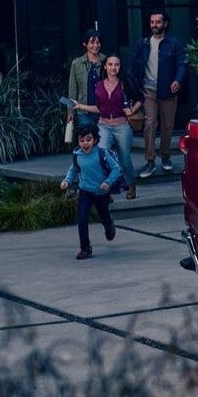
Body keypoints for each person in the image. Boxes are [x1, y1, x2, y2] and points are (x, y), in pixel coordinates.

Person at [71, 54, 141, 199]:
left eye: (116, 64)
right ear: (105, 66)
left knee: (125, 159)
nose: (113, 67)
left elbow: (141, 98)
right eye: (110, 64)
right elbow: (99, 108)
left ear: (120, 67)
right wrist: (80, 106)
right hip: (103, 125)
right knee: (101, 157)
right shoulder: (99, 85)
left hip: (121, 125)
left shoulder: (124, 83)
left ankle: (131, 184)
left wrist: (132, 110)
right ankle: (105, 189)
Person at [129, 10, 187, 178]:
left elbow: (182, 63)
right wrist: (134, 87)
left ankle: (166, 156)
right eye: (152, 22)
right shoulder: (143, 43)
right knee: (149, 124)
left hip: (168, 91)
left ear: (165, 24)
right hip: (148, 91)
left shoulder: (174, 43)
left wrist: (178, 79)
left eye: (158, 22)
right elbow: (132, 65)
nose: (154, 25)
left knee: (168, 126)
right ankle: (150, 161)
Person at [59, 124, 122, 260]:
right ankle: (85, 248)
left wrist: (108, 182)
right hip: (85, 191)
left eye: (88, 139)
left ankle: (109, 226)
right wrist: (67, 181)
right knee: (82, 219)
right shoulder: (77, 155)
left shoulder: (101, 153)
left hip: (101, 192)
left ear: (95, 140)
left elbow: (116, 169)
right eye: (82, 140)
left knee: (103, 215)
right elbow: (74, 169)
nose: (85, 143)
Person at [67, 29, 104, 135]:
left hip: (102, 110)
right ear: (85, 44)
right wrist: (70, 112)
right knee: (87, 138)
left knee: (102, 141)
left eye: (98, 42)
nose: (95, 45)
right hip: (83, 110)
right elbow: (73, 89)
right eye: (92, 42)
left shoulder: (106, 61)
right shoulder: (77, 63)